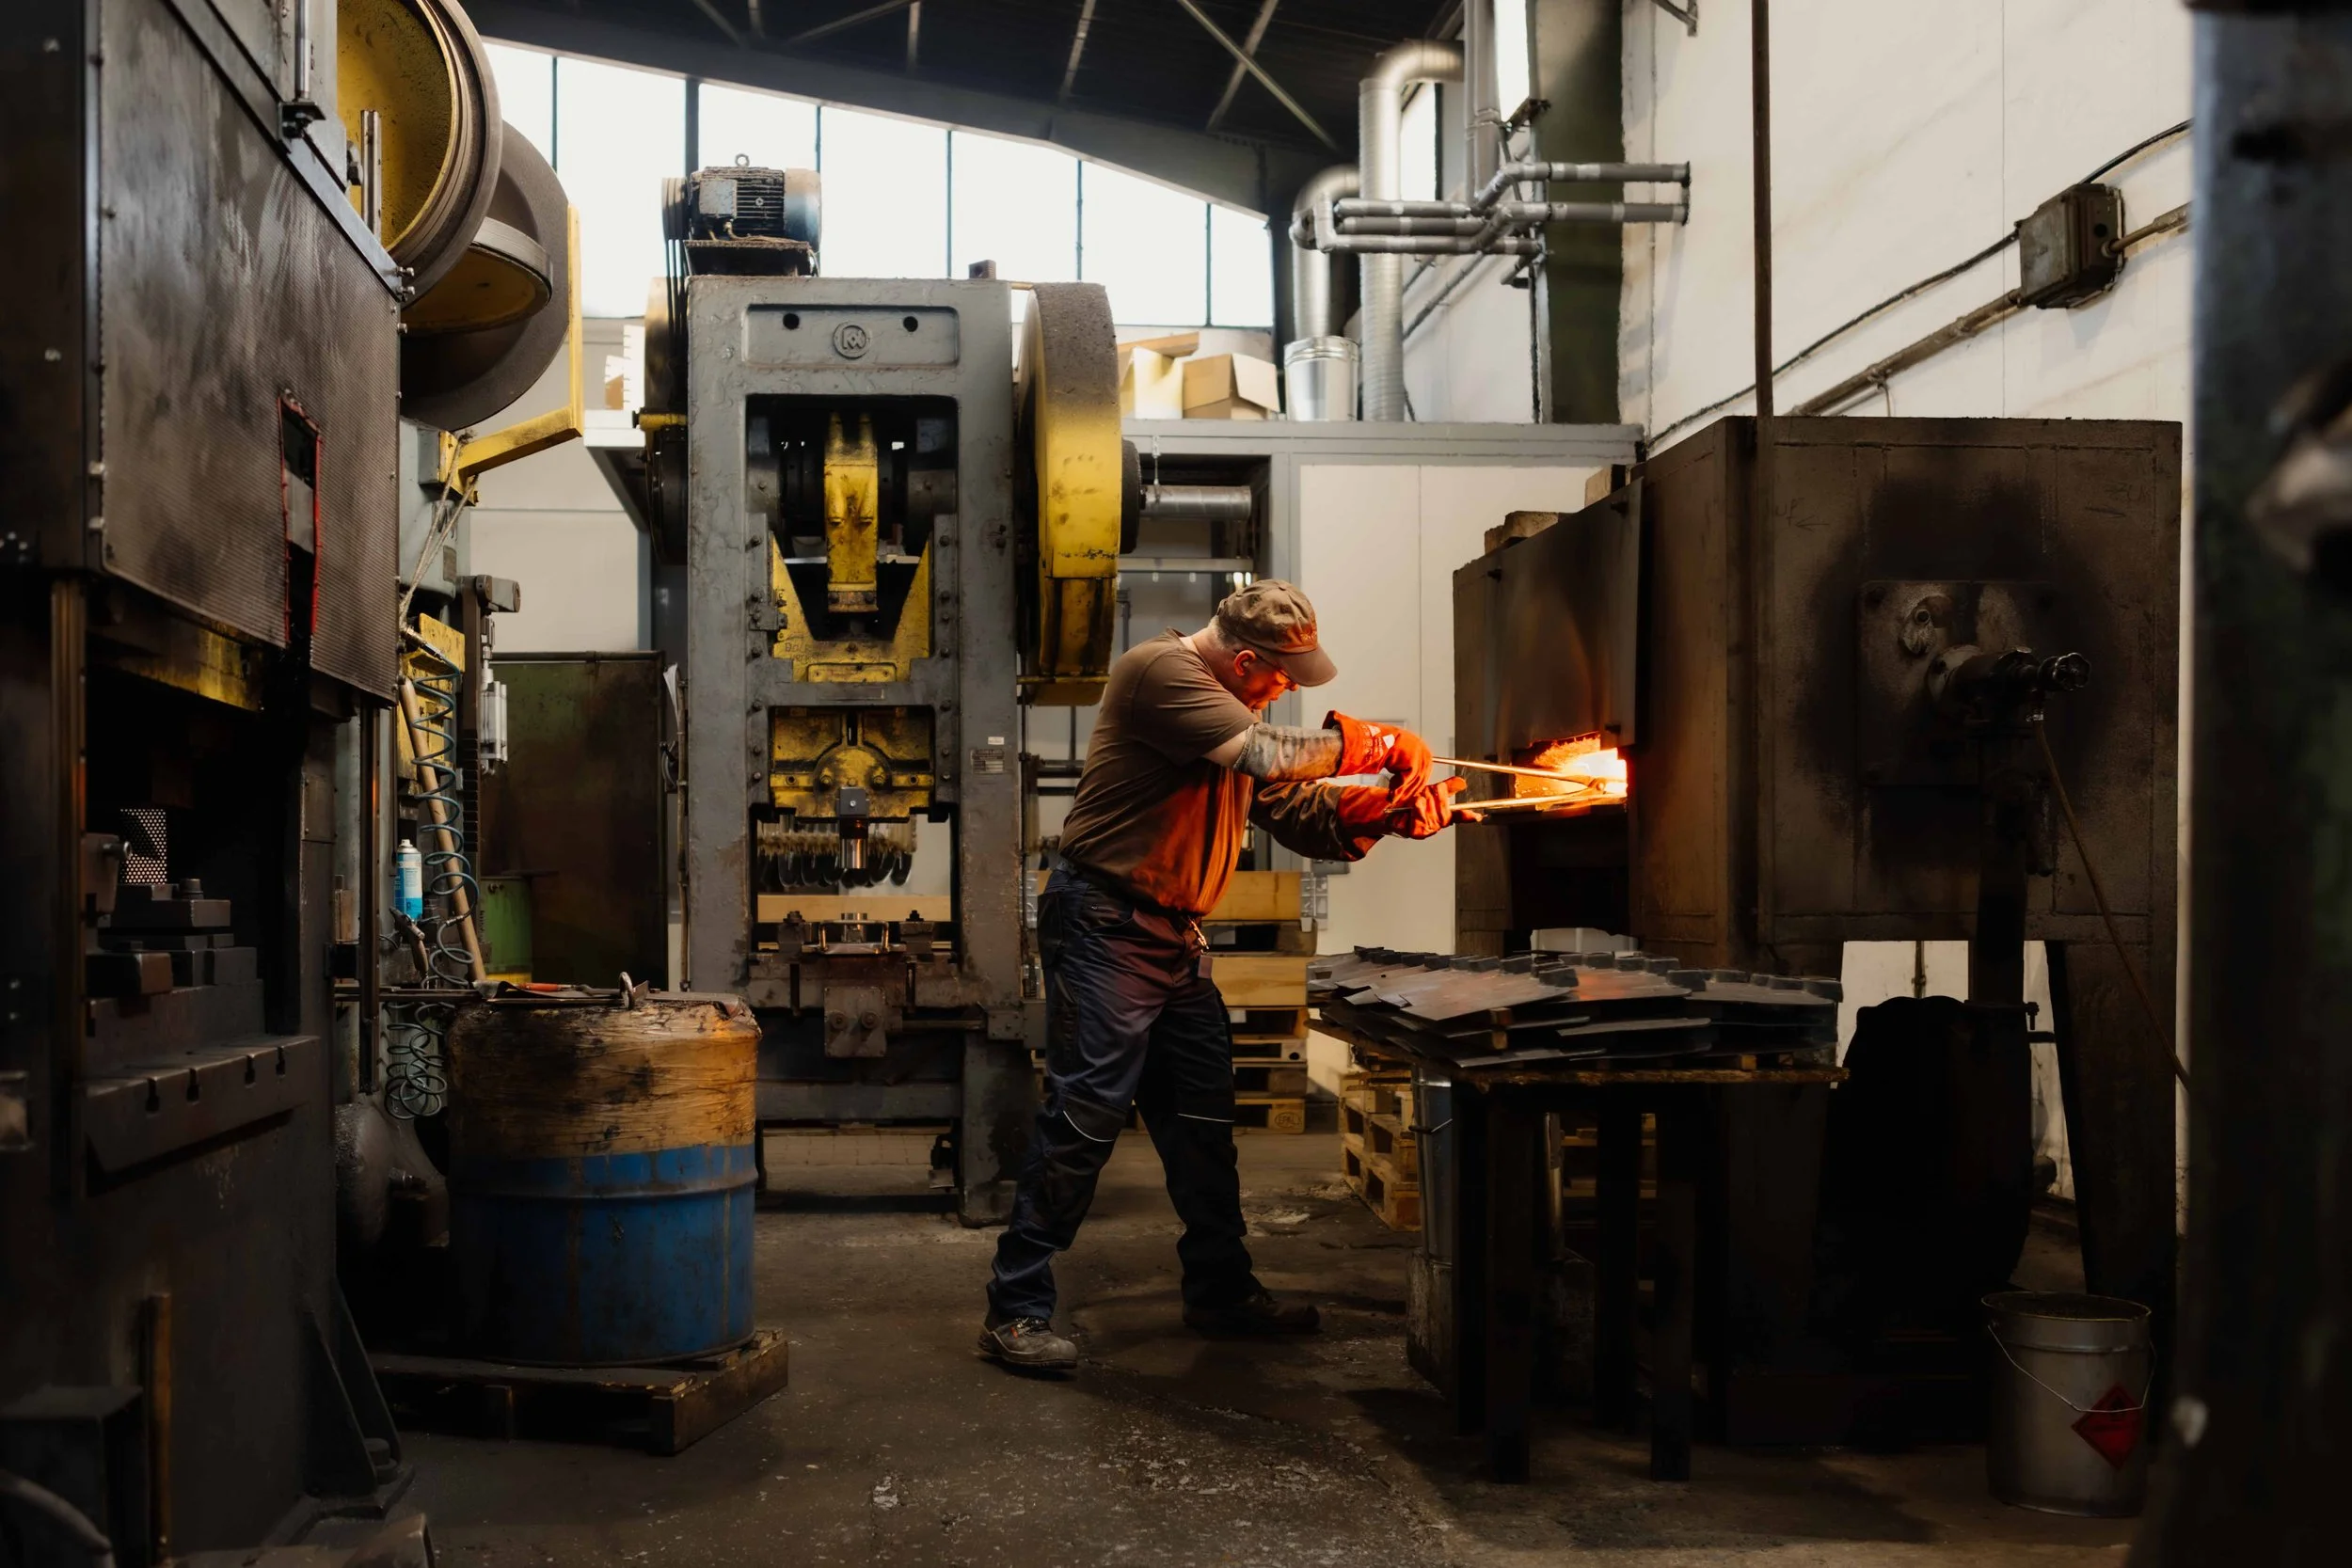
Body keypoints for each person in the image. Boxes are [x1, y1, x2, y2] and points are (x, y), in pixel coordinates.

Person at [978, 579, 1475, 1372]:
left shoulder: (1231, 718)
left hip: (1174, 941)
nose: (1284, 692)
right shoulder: (1159, 673)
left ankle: (1220, 1289)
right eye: (1280, 677)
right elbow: (1269, 753)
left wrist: (1387, 811)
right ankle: (1016, 1307)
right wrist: (1377, 744)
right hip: (1107, 926)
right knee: (1086, 1115)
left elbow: (1294, 808)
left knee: (1202, 1120)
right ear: (1245, 662)